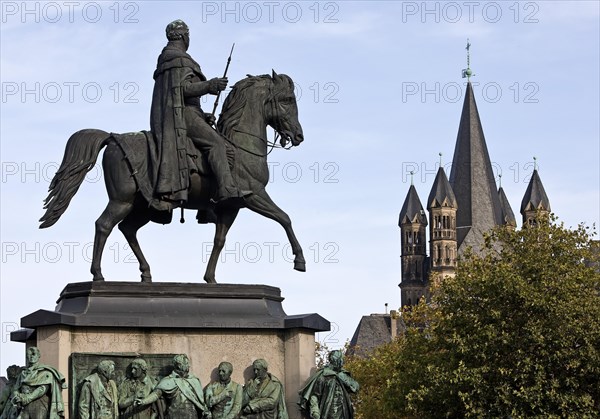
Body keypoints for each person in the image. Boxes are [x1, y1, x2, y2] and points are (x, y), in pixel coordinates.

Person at [150, 19, 241, 210]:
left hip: (188, 113)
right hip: (183, 116)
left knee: (226, 147)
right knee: (216, 144)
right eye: (188, 36)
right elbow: (181, 89)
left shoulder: (169, 58)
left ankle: (206, 206)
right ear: (184, 36)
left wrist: (204, 115)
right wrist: (210, 85)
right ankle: (226, 189)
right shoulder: (179, 59)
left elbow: (180, 95)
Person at [135, 354, 210, 419]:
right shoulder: (168, 380)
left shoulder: (194, 380)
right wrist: (143, 401)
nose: (188, 365)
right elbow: (156, 394)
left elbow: (201, 401)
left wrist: (205, 410)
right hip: (174, 415)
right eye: (186, 363)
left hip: (192, 415)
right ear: (179, 365)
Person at [2, 346, 66, 419]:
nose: (31, 356)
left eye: (33, 354)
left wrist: (27, 398)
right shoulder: (22, 373)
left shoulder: (46, 372)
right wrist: (17, 397)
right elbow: (16, 388)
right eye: (29, 354)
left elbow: (42, 389)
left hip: (39, 406)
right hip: (24, 407)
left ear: (39, 356)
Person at [298, 350, 359, 419]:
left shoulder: (343, 374)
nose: (342, 362)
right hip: (329, 412)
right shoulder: (323, 375)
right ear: (335, 360)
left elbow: (356, 387)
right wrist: (315, 410)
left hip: (344, 412)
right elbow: (315, 395)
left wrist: (340, 375)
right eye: (341, 359)